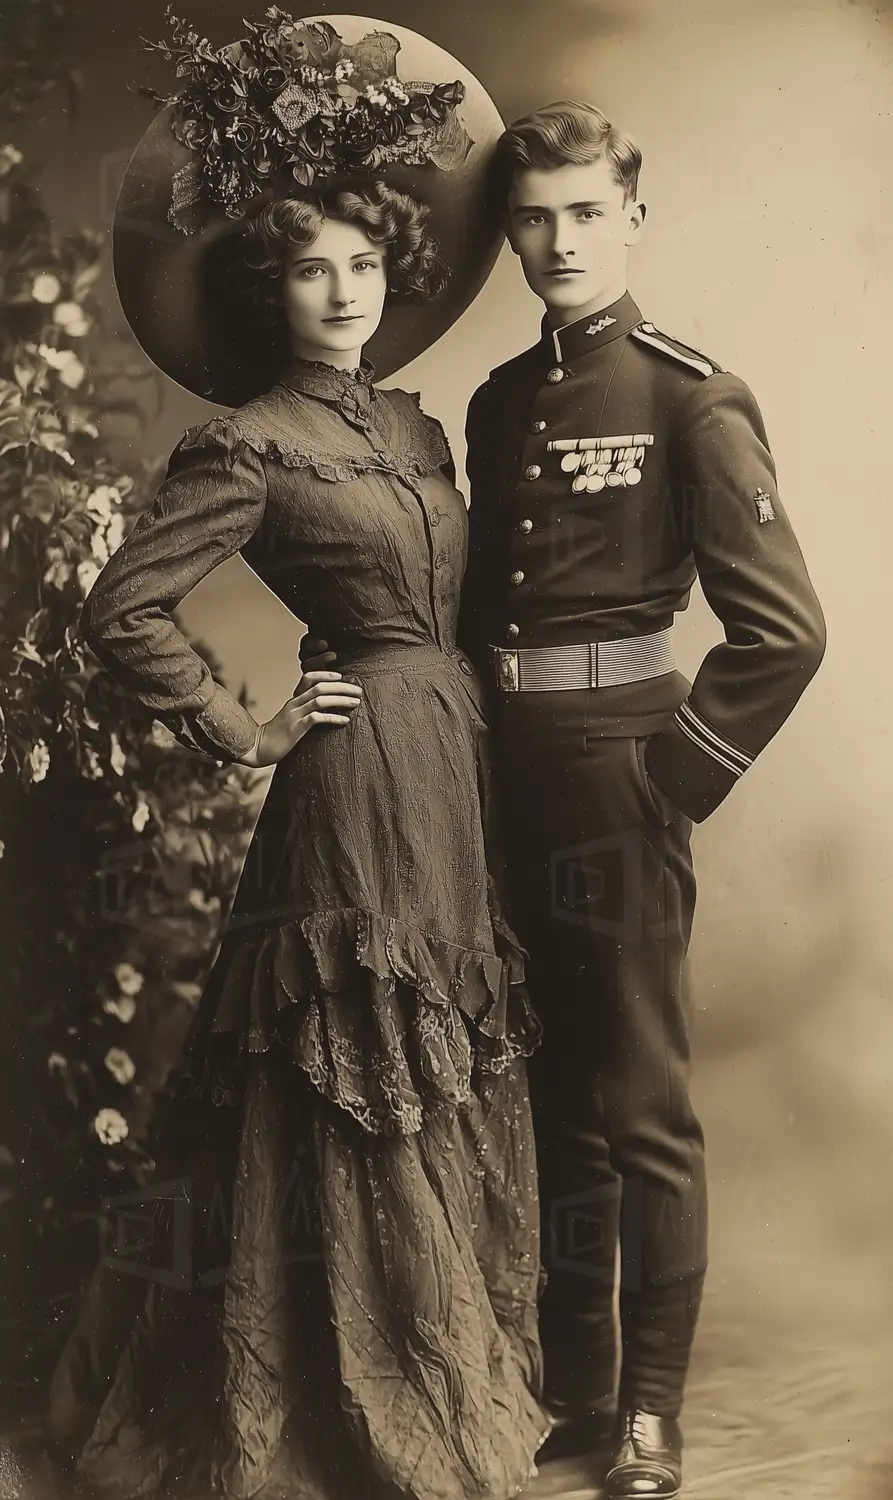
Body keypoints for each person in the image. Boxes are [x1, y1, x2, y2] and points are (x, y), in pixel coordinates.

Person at [44, 18, 550, 1500]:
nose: (344, 291)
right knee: (345, 1058)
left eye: (365, 266)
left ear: (394, 275)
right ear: (273, 288)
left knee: (448, 1036)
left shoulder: (419, 426)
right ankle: (351, 1395)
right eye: (313, 269)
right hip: (347, 783)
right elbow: (121, 607)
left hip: (454, 764)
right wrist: (241, 722)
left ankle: (466, 1359)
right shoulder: (247, 445)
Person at [451, 101, 827, 1498]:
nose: (557, 240)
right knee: (555, 1095)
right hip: (507, 767)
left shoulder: (690, 395)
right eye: (534, 217)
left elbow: (783, 629)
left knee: (644, 1103)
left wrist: (669, 779)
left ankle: (655, 1417)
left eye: (585, 212)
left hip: (622, 767)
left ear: (632, 219)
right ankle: (579, 1394)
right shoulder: (498, 403)